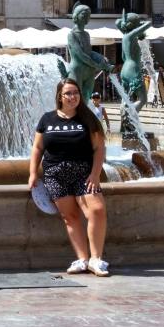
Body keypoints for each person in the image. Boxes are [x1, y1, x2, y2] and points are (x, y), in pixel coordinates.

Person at [28, 78, 109, 277]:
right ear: (60, 97)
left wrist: (95, 174)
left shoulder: (87, 119)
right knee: (70, 217)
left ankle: (96, 259)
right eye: (68, 93)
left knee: (97, 211)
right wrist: (32, 173)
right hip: (55, 175)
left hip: (83, 173)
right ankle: (82, 259)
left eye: (75, 93)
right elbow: (38, 148)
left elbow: (99, 149)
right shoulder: (47, 119)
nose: (73, 97)